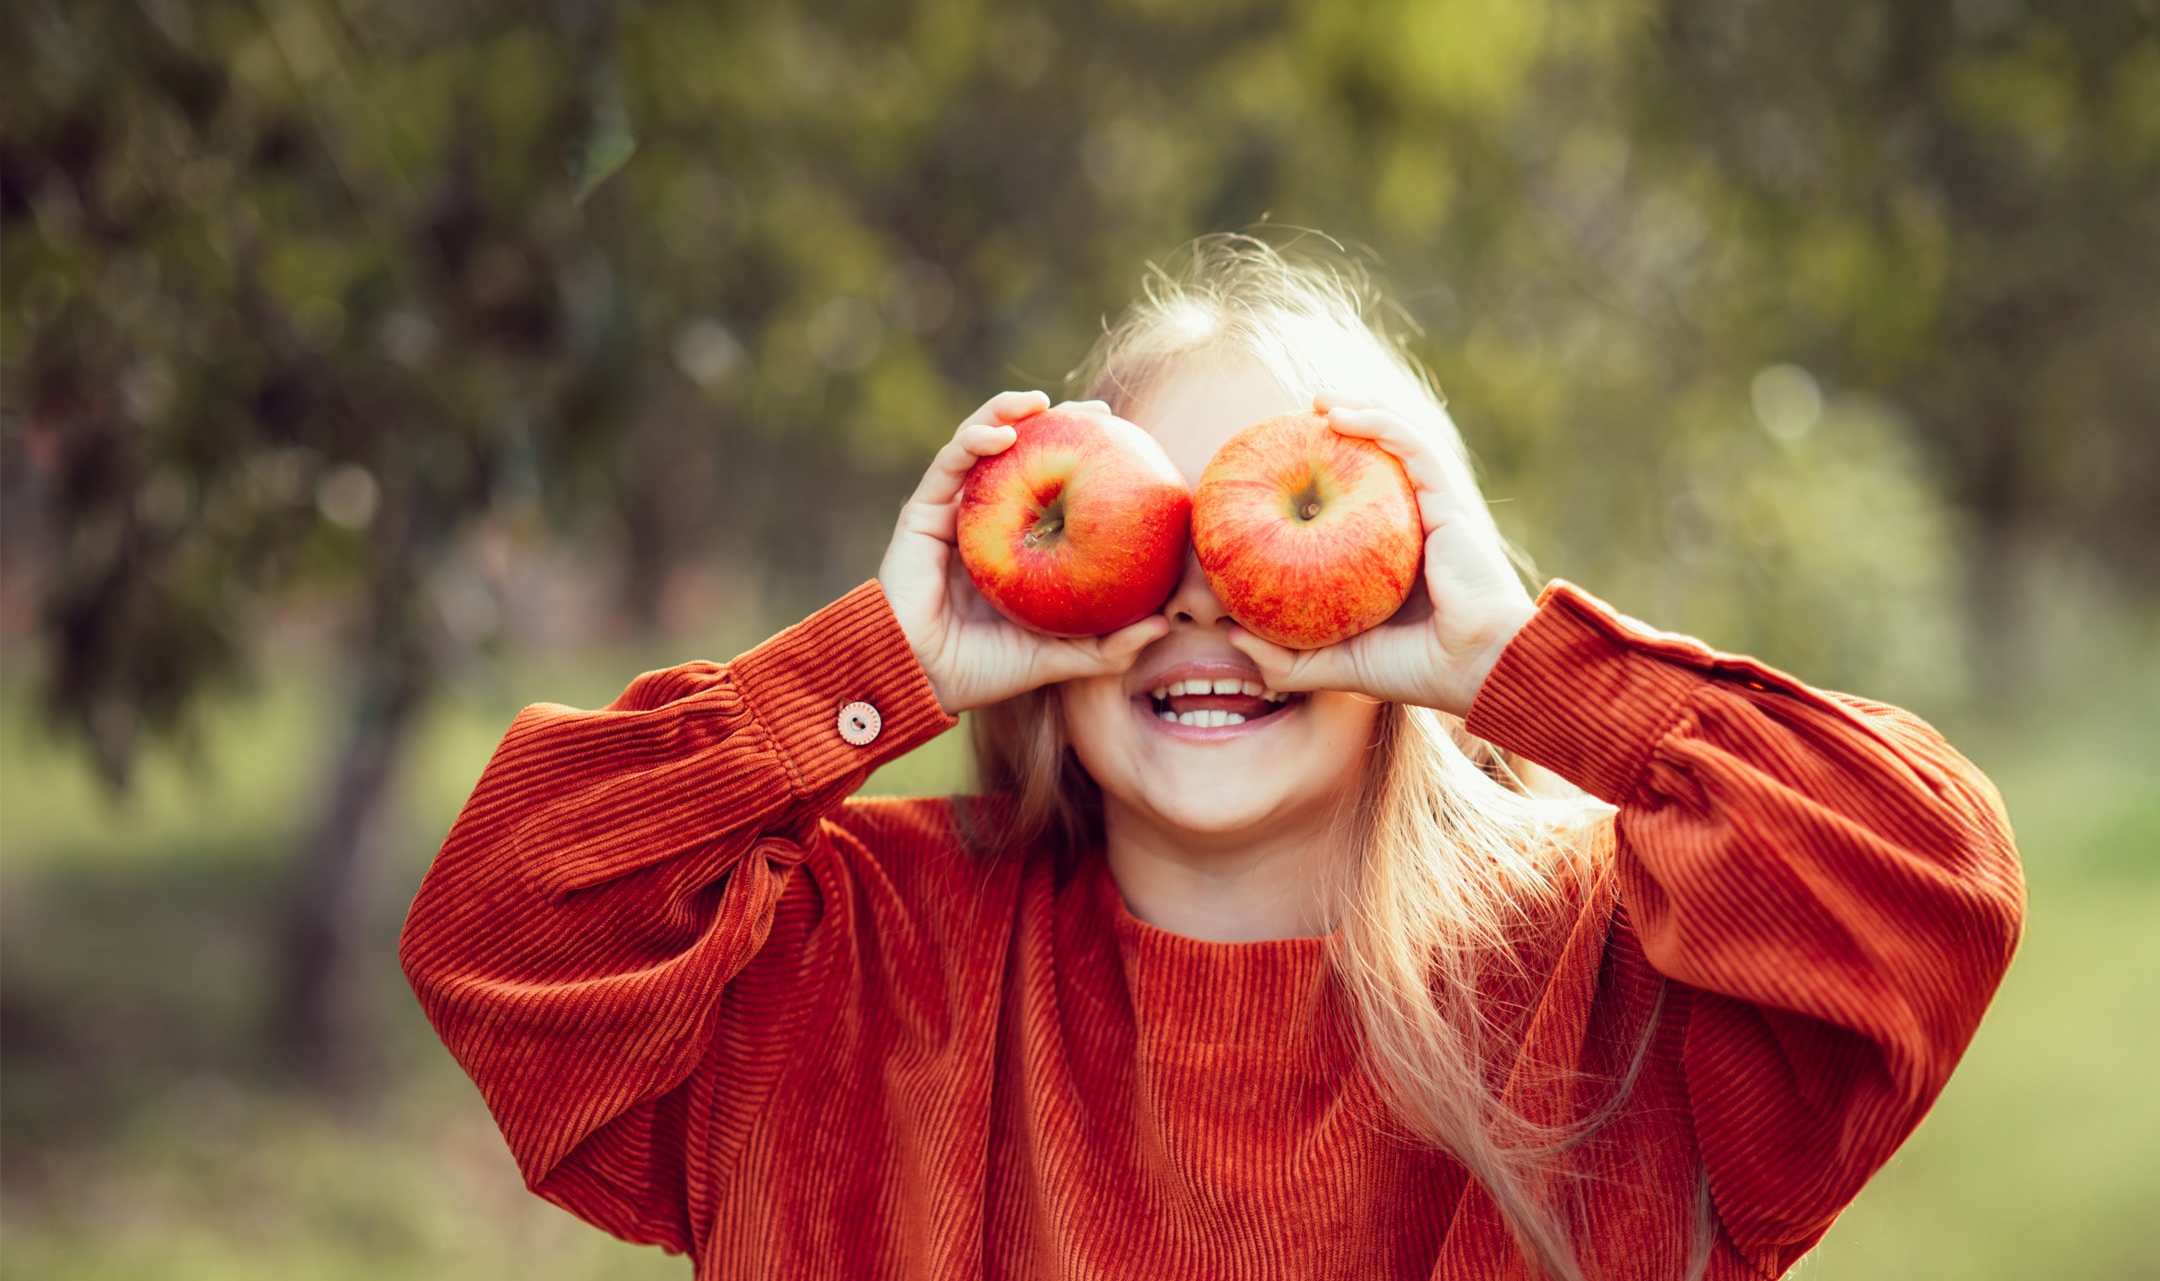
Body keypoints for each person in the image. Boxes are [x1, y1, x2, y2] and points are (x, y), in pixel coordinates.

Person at [399, 236, 2024, 1280]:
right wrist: (876, 667)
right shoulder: (858, 975)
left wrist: (1520, 666)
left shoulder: (1609, 1000)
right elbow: (506, 922)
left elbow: (1929, 885)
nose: (1196, 605)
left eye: (1272, 530)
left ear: (1418, 554)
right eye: (1141, 531)